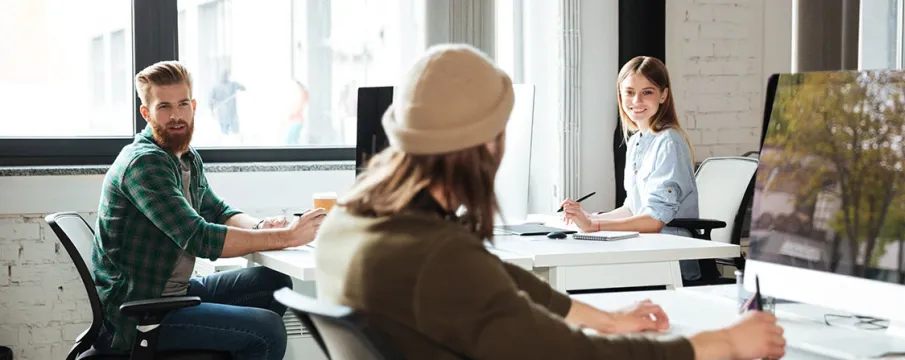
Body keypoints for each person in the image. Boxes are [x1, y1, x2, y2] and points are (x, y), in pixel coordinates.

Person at [313, 44, 785, 359]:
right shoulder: (438, 256)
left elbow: (496, 276)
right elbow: (577, 354)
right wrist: (722, 342)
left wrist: (608, 318)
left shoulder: (354, 221)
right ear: (486, 143)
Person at [92, 60, 326, 359]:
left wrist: (262, 227)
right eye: (164, 106)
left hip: (171, 293)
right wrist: (288, 237)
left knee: (273, 283)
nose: (176, 115)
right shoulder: (145, 163)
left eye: (183, 103)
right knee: (266, 330)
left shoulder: (185, 157)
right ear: (146, 113)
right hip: (140, 313)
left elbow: (216, 210)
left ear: (194, 105)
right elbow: (200, 238)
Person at [561, 55, 704, 282]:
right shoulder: (637, 141)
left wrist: (595, 225)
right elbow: (633, 208)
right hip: (643, 251)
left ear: (663, 95)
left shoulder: (669, 142)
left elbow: (654, 220)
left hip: (668, 260)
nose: (636, 100)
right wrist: (587, 216)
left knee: (580, 280)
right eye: (629, 92)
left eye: (647, 92)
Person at [209, 68, 246, 139]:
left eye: (226, 74)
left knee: (235, 134)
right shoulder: (216, 87)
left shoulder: (232, 84)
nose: (224, 76)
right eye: (223, 75)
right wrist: (212, 111)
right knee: (224, 135)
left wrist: (242, 88)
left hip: (232, 115)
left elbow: (243, 88)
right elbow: (210, 101)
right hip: (222, 116)